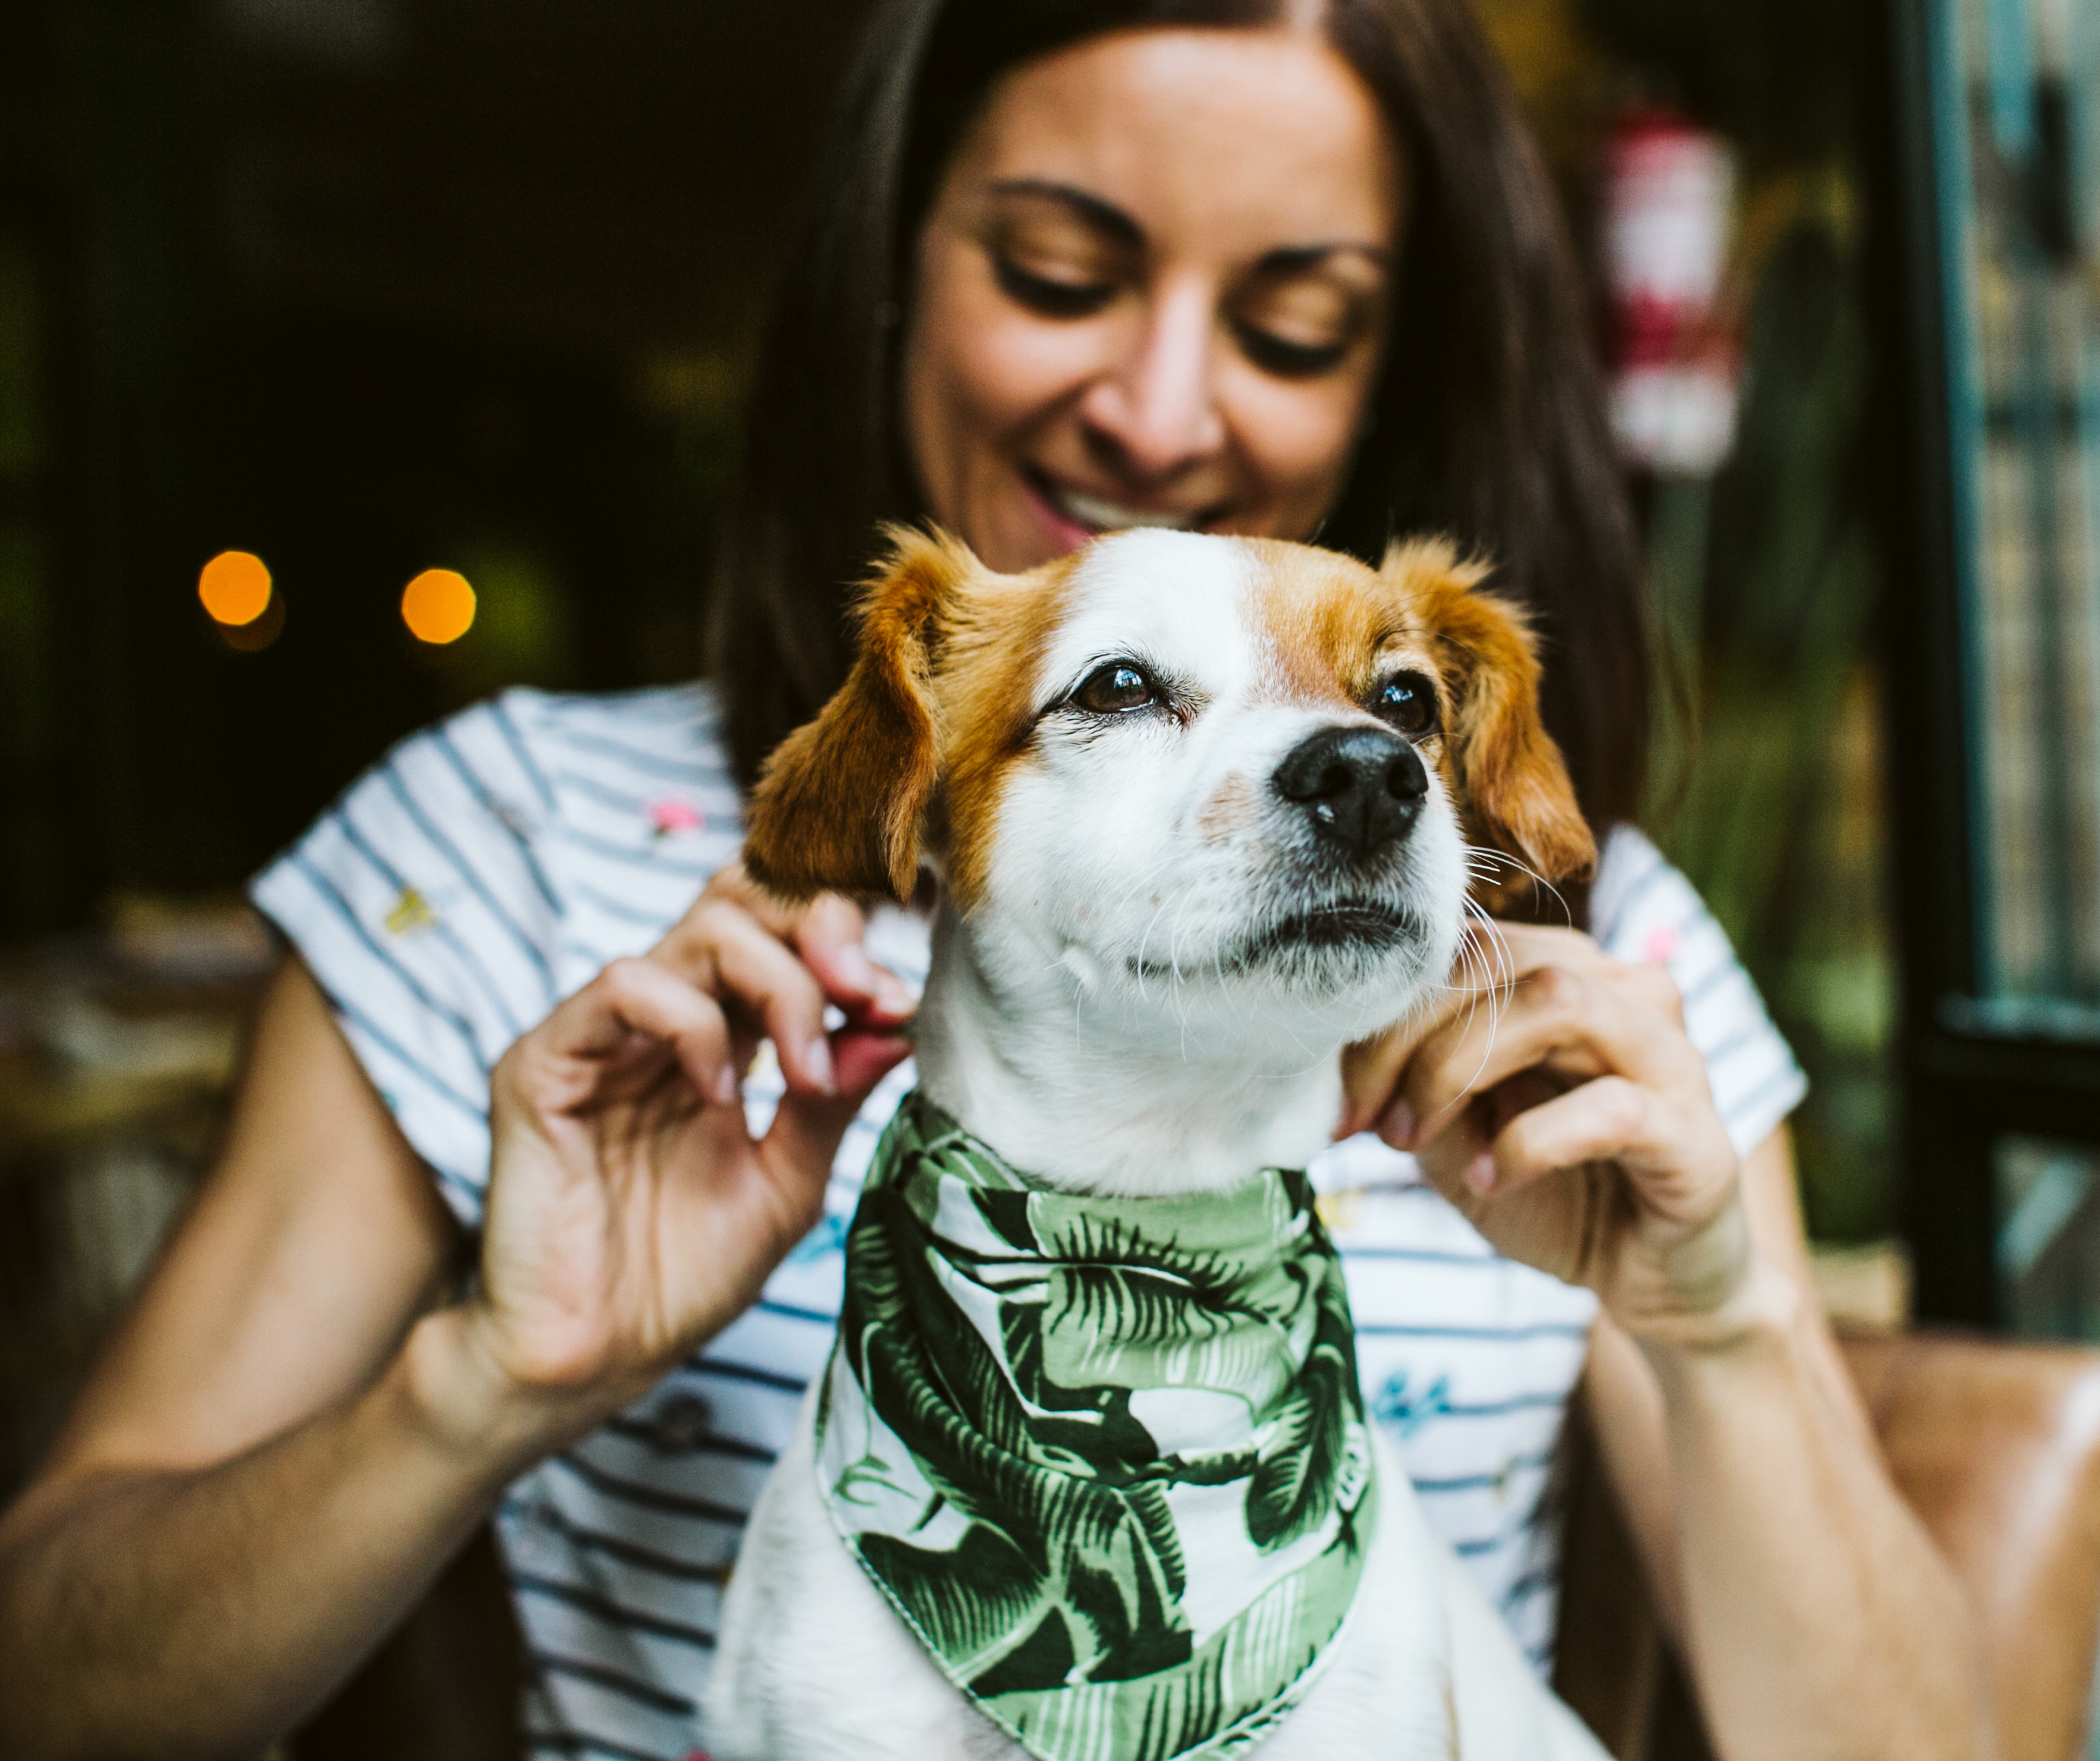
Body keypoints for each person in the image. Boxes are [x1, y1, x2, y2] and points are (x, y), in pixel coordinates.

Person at [0, 2, 1992, 1757]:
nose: (1157, 406)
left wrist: (1723, 1324)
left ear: (1391, 365)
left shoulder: (1576, 960)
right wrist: (485, 1382)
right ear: (889, 260)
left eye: (1294, 324)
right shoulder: (505, 845)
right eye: (1058, 272)